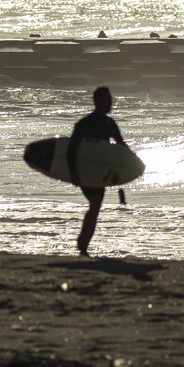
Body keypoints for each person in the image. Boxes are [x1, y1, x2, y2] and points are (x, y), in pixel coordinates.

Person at [67, 86, 126, 256]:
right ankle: (82, 245)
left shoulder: (109, 124)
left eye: (110, 100)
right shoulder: (85, 124)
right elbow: (71, 149)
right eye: (106, 100)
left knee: (96, 207)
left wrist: (131, 166)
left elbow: (121, 146)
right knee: (94, 204)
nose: (110, 103)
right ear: (97, 102)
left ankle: (83, 245)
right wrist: (73, 173)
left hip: (100, 174)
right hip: (85, 170)